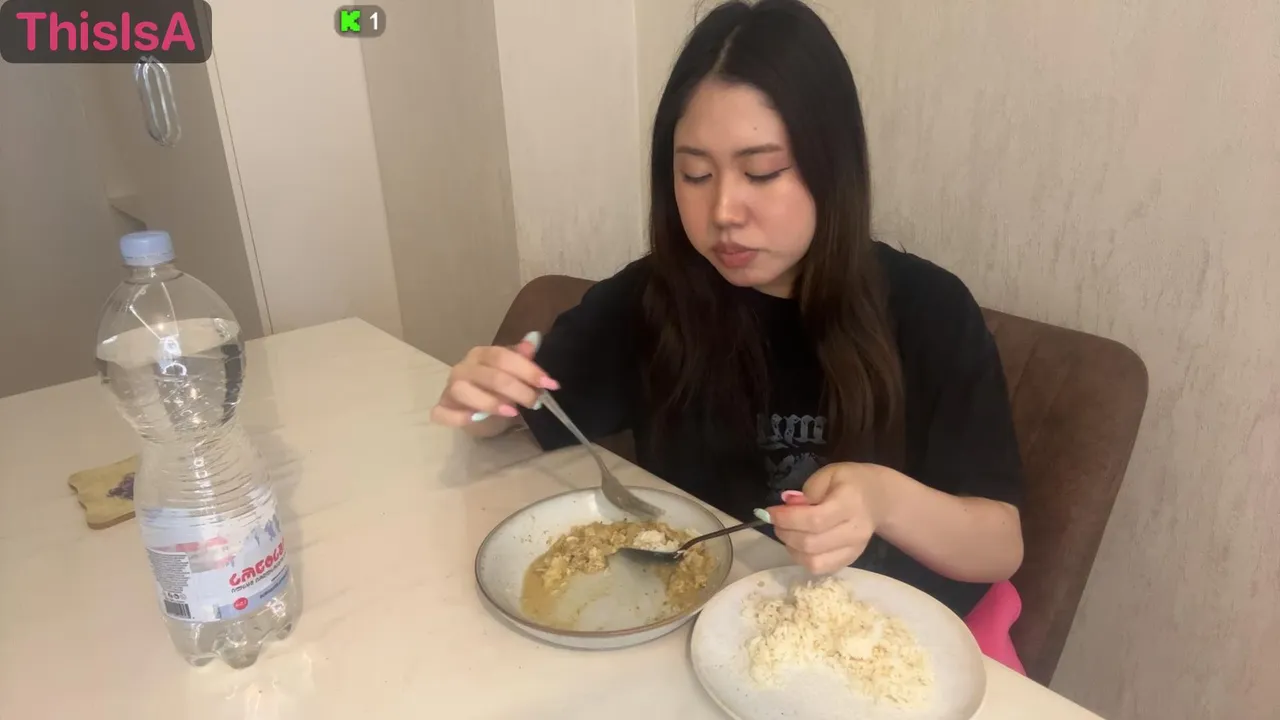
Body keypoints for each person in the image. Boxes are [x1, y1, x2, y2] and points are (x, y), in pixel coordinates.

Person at [431, 0, 1025, 628]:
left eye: (761, 172)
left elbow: (1000, 545)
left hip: (873, 641)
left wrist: (883, 499)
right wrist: (484, 401)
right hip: (700, 631)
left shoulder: (928, 309)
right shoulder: (652, 299)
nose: (722, 211)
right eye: (695, 174)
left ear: (833, 166)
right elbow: (525, 416)